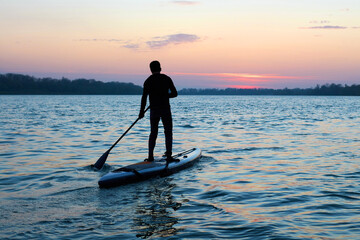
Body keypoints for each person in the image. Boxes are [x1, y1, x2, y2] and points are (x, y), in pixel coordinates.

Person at [139, 60, 178, 162]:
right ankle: (169, 156)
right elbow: (175, 93)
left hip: (154, 110)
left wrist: (141, 112)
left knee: (153, 133)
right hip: (165, 109)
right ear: (160, 69)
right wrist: (165, 96)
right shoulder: (166, 79)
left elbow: (144, 98)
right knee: (168, 132)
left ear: (151, 70)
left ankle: (150, 157)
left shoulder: (148, 81)